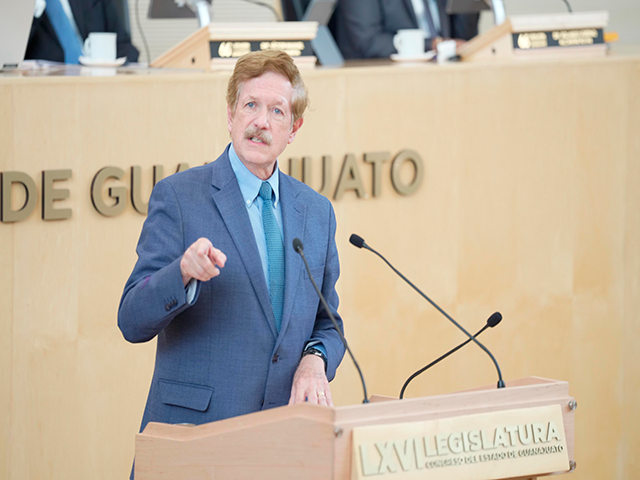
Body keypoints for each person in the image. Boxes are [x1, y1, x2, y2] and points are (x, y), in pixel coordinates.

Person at [118, 50, 345, 448]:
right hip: (195, 439)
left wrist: (315, 360)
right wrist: (181, 273)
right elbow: (131, 320)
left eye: (277, 111)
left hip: (280, 441)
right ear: (230, 115)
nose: (261, 121)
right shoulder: (180, 197)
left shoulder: (316, 212)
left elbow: (328, 324)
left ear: (294, 128)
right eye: (251, 105)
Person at [331, 0, 479, 59]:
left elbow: (463, 38)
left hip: (449, 77)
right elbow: (369, 42)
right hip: (386, 84)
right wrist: (433, 44)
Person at [25, 0, 139, 64]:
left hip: (99, 83)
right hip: (45, 88)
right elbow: (15, 55)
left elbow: (124, 46)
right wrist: (31, 8)